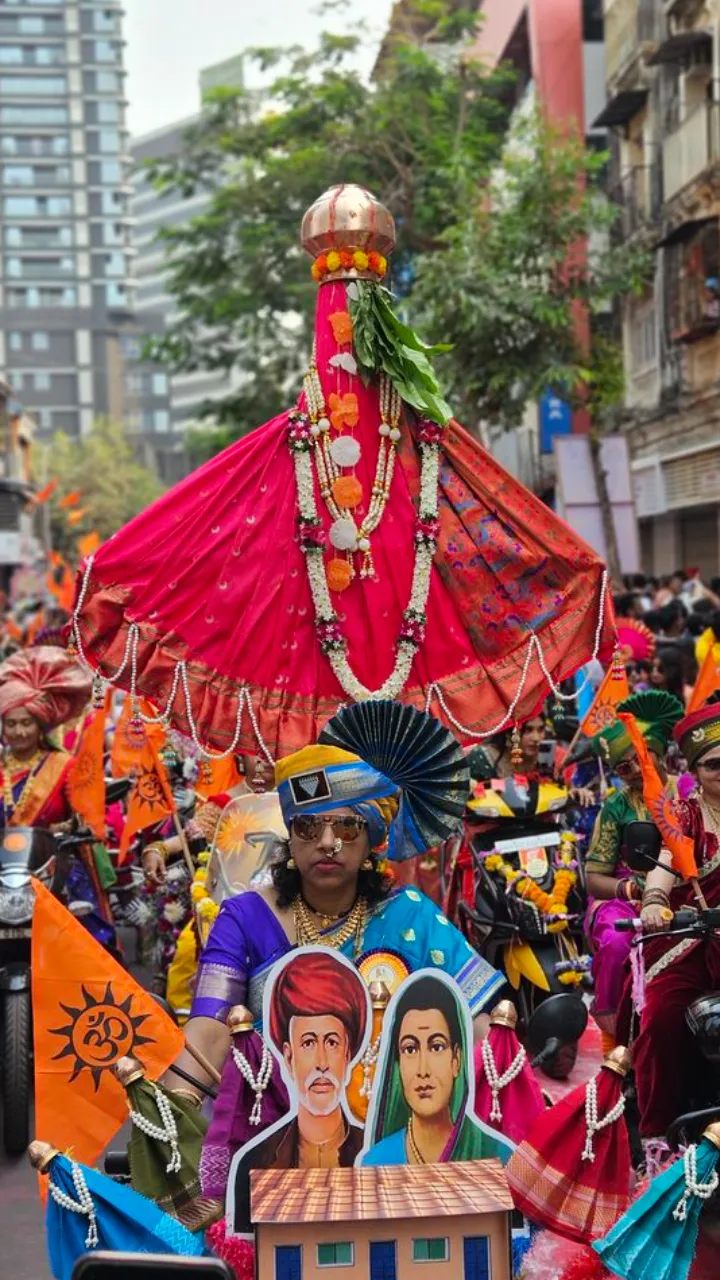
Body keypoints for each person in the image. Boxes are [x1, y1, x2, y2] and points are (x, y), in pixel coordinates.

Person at [166, 719, 505, 1099]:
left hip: (396, 1134)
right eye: (309, 828)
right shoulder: (244, 919)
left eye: (346, 828)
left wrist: (499, 1084)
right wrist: (174, 1111)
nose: (328, 842)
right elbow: (208, 1032)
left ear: (371, 840)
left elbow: (476, 1026)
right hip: (272, 1134)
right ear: (291, 838)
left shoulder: (412, 916)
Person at [628, 695, 720, 1148]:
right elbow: (664, 865)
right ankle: (658, 1139)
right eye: (714, 765)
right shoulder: (685, 815)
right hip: (691, 942)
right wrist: (655, 901)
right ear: (697, 774)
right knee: (662, 1017)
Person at [228, 950, 367, 1233]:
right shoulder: (255, 1163)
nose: (322, 1063)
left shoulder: (374, 1155)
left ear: (348, 1054)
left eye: (331, 1042)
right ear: (288, 1057)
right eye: (307, 1043)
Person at [584, 690, 684, 1050]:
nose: (630, 774)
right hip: (627, 900)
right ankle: (613, 1033)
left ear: (657, 753)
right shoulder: (615, 807)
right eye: (621, 769)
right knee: (614, 941)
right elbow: (594, 878)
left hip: (690, 893)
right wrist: (632, 891)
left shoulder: (690, 793)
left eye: (636, 761)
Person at [0, 647, 115, 947]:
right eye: (11, 723)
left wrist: (73, 826)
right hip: (4, 871)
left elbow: (83, 816)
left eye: (26, 722)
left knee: (88, 939)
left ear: (40, 726)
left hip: (51, 867)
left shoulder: (64, 766)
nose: (19, 731)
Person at [361, 971, 512, 1166]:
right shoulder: (376, 1162)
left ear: (456, 1060)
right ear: (398, 1064)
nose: (423, 1070)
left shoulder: (497, 1156)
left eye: (436, 1047)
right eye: (410, 1049)